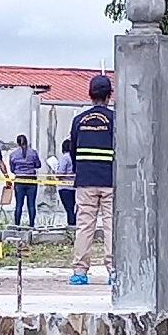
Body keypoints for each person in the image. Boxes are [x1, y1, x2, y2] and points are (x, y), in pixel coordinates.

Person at [68, 75, 115, 286]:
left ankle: (79, 272)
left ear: (90, 95)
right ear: (109, 95)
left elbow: (73, 151)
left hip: (85, 181)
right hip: (110, 181)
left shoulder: (79, 120)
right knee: (111, 225)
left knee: (84, 226)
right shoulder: (115, 120)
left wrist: (82, 171)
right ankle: (114, 271)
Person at [9, 134, 42, 227]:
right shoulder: (33, 152)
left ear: (17, 143)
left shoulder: (13, 154)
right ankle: (31, 225)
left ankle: (17, 225)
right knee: (31, 204)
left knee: (19, 204)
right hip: (31, 180)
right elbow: (38, 165)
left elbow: (12, 169)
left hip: (19, 180)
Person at [56, 139, 76, 227]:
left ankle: (71, 228)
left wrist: (54, 172)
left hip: (65, 187)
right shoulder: (75, 157)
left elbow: (60, 173)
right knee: (75, 210)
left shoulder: (65, 157)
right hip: (75, 186)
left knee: (69, 210)